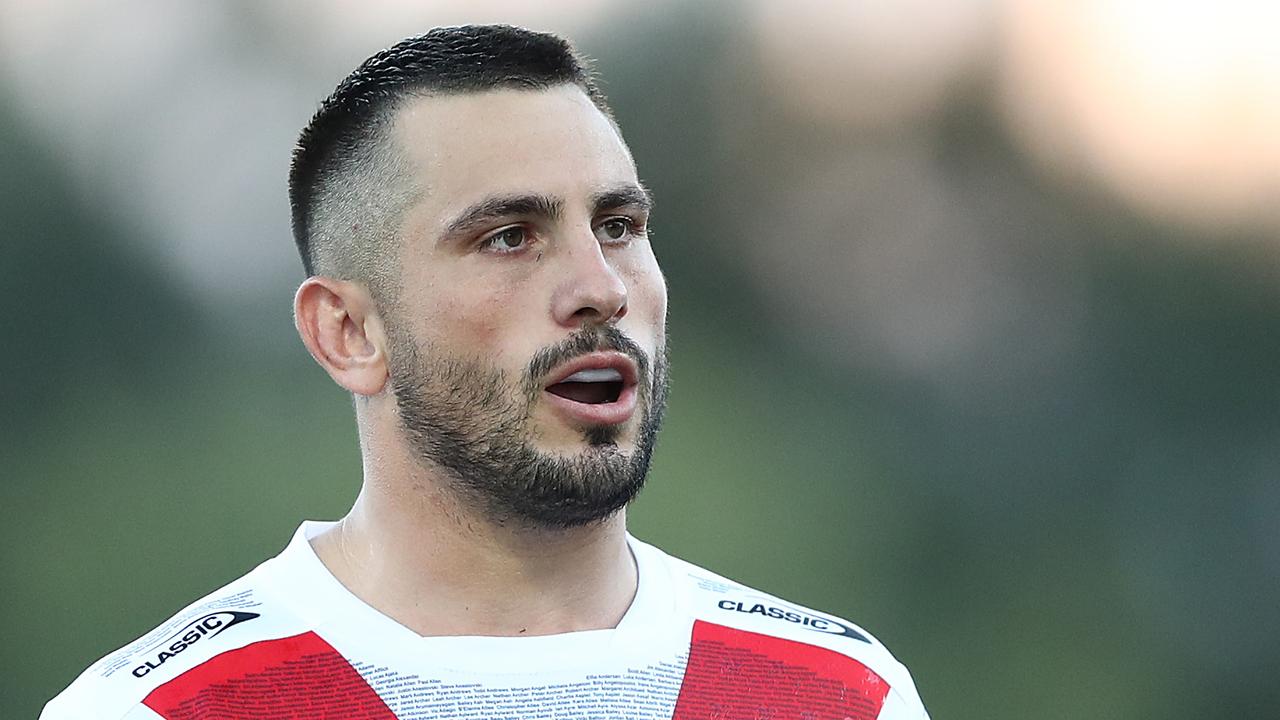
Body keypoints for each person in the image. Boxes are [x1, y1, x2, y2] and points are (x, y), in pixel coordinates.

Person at [42, 25, 930, 719]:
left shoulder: (844, 695)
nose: (599, 289)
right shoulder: (155, 708)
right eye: (510, 238)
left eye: (618, 225)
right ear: (348, 331)